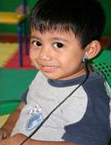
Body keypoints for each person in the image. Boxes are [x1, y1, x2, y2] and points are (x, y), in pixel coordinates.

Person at [1, 0, 111, 144]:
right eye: (37, 43)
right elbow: (22, 107)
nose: (43, 56)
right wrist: (7, 128)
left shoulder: (90, 98)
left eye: (58, 44)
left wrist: (27, 143)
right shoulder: (44, 74)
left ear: (89, 50)